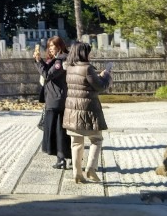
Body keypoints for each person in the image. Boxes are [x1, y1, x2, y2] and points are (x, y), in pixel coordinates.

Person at [63, 41, 112, 184]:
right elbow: (99, 86)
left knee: (76, 142)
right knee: (96, 139)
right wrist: (106, 75)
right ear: (84, 53)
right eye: (89, 51)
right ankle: (91, 168)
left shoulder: (69, 67)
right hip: (88, 110)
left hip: (72, 110)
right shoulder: (87, 68)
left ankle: (77, 173)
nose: (90, 54)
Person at [35, 35, 71, 169]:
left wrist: (38, 62)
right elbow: (48, 71)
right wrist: (39, 61)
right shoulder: (57, 60)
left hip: (57, 100)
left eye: (52, 46)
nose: (50, 49)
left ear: (59, 46)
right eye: (49, 46)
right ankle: (64, 157)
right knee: (59, 131)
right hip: (55, 99)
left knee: (59, 131)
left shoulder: (60, 61)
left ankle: (62, 158)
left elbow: (47, 75)